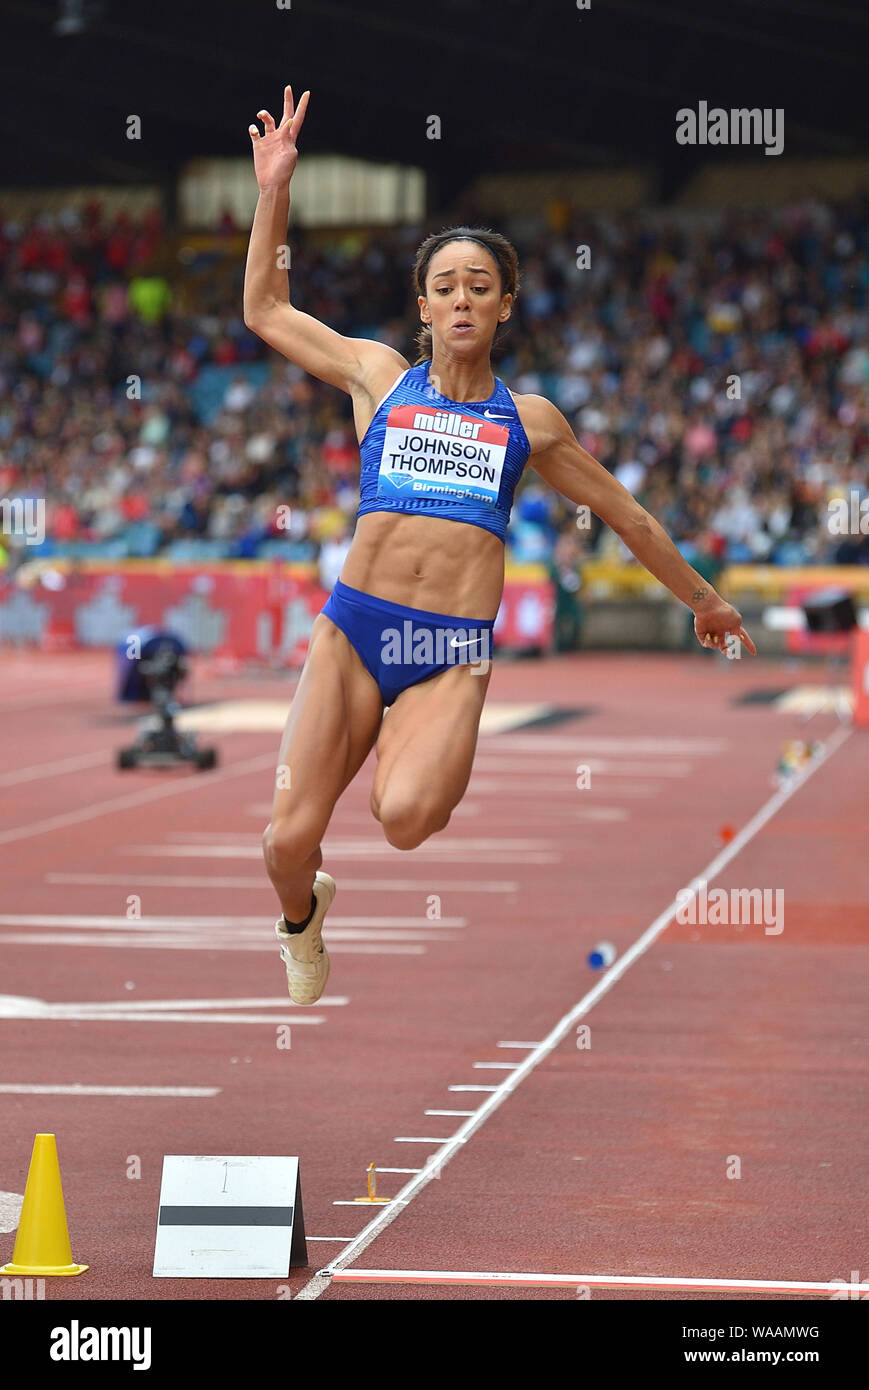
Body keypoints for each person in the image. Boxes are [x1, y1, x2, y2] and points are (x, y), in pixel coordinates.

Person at [243, 86, 757, 1006]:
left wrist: (703, 601)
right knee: (284, 844)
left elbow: (629, 516)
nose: (462, 298)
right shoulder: (376, 378)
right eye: (445, 286)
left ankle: (411, 739)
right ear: (424, 306)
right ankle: (303, 914)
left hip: (447, 653)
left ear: (506, 305)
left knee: (402, 820)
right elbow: (266, 310)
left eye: (481, 285)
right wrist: (274, 188)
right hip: (354, 632)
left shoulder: (532, 423)